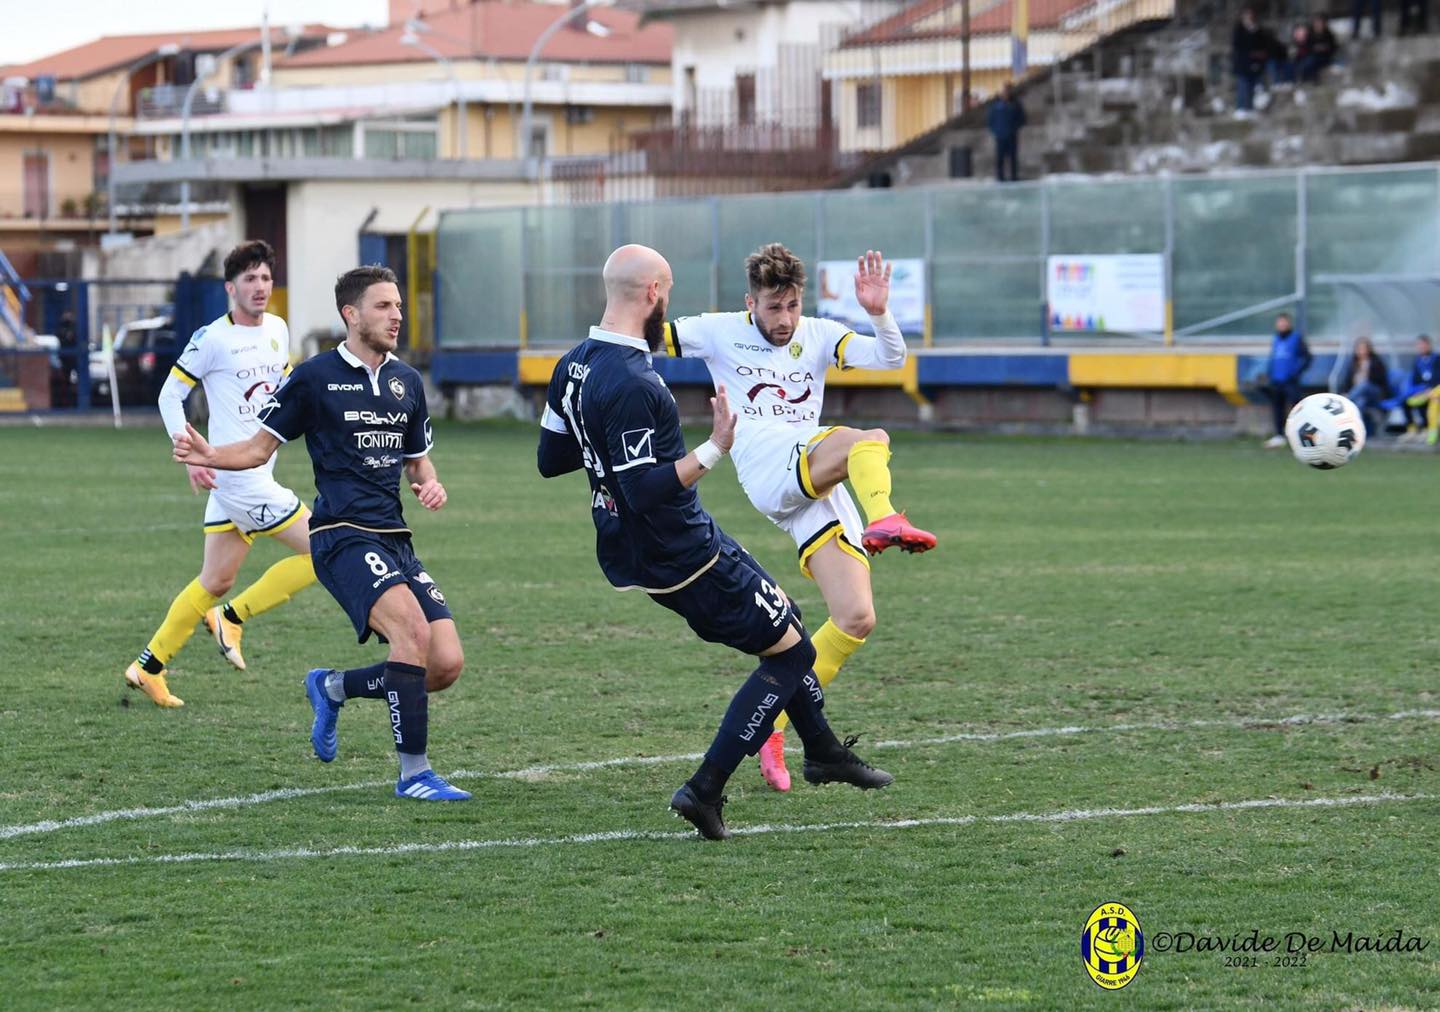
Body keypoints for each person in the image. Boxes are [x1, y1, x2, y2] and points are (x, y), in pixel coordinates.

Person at [537, 244, 893, 840]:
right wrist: (714, 448)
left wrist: (603, 451)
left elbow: (551, 459)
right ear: (653, 293)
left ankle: (824, 751)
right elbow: (645, 490)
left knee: (790, 622)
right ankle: (705, 789)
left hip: (630, 548)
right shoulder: (634, 382)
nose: (668, 304)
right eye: (667, 292)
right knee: (793, 655)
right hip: (680, 550)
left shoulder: (574, 363)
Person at [172, 265, 469, 802]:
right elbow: (260, 448)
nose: (396, 315)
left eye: (398, 306)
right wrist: (211, 454)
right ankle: (414, 774)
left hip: (395, 538)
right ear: (350, 315)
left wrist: (431, 484)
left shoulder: (408, 382)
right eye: (383, 306)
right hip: (340, 535)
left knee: (444, 663)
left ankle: (332, 686)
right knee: (413, 636)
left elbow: (418, 464)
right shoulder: (314, 377)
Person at [660, 243, 935, 792]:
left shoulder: (820, 333)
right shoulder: (716, 330)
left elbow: (890, 359)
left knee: (856, 617)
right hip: (767, 461)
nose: (783, 320)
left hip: (811, 473)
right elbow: (645, 338)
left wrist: (879, 312)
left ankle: (776, 728)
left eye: (790, 306)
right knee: (870, 439)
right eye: (771, 308)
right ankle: (883, 517)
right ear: (750, 303)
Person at [123, 240, 316, 707]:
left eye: (266, 278)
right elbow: (170, 397)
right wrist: (190, 452)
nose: (260, 287)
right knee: (326, 550)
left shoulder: (277, 328)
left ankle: (148, 667)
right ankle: (233, 617)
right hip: (241, 480)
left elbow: (283, 381)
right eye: (249, 279)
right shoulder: (212, 338)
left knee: (214, 580)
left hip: (251, 471)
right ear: (231, 287)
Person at [1262, 312, 1312, 449]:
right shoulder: (1276, 339)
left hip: (1291, 382)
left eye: (1284, 322)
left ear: (1289, 323)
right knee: (1278, 408)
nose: (1282, 324)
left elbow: (1307, 358)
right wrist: (1269, 374)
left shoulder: (1296, 338)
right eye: (1279, 322)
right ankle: (1279, 435)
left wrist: (1295, 373)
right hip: (1276, 380)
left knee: (1296, 409)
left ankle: (1301, 436)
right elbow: (1273, 359)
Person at [1339, 336, 1392, 436]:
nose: (1361, 351)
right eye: (1359, 349)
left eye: (1364, 348)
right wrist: (1345, 391)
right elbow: (1346, 382)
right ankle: (1359, 433)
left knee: (1364, 385)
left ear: (1369, 349)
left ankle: (1345, 401)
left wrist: (1366, 372)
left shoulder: (1376, 362)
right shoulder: (1353, 363)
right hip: (1360, 395)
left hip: (1375, 393)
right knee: (1360, 402)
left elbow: (1381, 381)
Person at [1397, 334, 1440, 443]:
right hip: (1422, 390)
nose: (1421, 347)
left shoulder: (1436, 359)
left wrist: (1430, 389)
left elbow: (1437, 377)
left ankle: (1427, 430)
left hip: (1434, 391)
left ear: (1429, 345)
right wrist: (1417, 391)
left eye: (1424, 345)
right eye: (1419, 345)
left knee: (1426, 401)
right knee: (1405, 401)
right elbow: (1415, 379)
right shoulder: (1417, 360)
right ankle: (1412, 430)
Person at [1233, 6, 1274, 112]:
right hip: (1243, 64)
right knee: (1243, 87)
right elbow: (1238, 47)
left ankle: (1250, 108)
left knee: (1254, 88)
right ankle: (1241, 108)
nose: (1249, 18)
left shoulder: (1259, 30)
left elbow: (1264, 45)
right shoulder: (1239, 30)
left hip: (1256, 64)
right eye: (1247, 15)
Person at [986, 83, 1025, 182]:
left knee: (1013, 157)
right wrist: (996, 131)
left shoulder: (1015, 105)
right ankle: (1000, 177)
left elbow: (1022, 118)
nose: (1005, 94)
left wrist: (1014, 128)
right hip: (1000, 136)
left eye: (1007, 91)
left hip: (1011, 135)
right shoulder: (996, 106)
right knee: (1000, 158)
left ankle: (1014, 177)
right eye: (1004, 92)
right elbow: (990, 120)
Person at [1300, 15, 1338, 82]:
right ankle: (1307, 79)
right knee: (1308, 62)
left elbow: (1333, 47)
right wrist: (1314, 48)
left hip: (1325, 56)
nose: (1318, 25)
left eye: (1320, 23)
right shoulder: (1310, 34)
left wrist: (1325, 48)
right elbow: (1306, 46)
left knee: (1312, 62)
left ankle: (1313, 80)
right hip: (1312, 55)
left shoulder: (1328, 34)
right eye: (1316, 23)